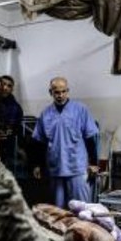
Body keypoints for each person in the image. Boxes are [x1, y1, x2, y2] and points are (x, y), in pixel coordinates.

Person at [32, 76, 99, 208]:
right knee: (58, 210)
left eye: (63, 91)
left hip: (77, 167)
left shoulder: (80, 110)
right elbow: (39, 142)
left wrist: (93, 163)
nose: (60, 95)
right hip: (55, 168)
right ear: (50, 92)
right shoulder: (45, 114)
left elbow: (91, 137)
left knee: (81, 208)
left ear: (68, 91)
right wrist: (37, 165)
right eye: (56, 92)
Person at [0, 75, 24, 170]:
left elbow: (16, 129)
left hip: (5, 148)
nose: (5, 88)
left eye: (9, 86)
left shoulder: (16, 108)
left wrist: (6, 132)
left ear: (12, 89)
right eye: (3, 84)